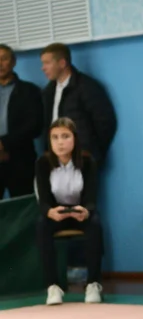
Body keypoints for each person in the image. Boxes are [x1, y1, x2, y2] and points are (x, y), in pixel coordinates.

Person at [35, 117, 104, 305]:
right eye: (55, 137)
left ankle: (93, 284)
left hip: (81, 212)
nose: (60, 142)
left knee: (95, 224)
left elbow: (91, 197)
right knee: (41, 226)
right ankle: (53, 286)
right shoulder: (43, 163)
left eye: (65, 136)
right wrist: (49, 212)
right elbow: (43, 200)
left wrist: (85, 211)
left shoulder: (88, 162)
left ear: (75, 139)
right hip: (56, 213)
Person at [40, 43, 117, 164]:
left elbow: (105, 122)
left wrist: (90, 152)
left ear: (62, 63)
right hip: (56, 159)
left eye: (47, 63)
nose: (43, 68)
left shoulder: (86, 87)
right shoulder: (48, 92)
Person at [0, 44, 44, 199]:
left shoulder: (29, 91)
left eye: (4, 59)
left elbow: (35, 125)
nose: (0, 63)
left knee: (23, 211)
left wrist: (4, 143)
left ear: (13, 62)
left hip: (20, 161)